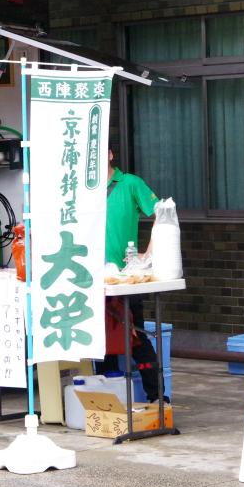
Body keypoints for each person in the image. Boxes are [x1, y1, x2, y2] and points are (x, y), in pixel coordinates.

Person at [99, 141, 164, 402]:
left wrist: (148, 255)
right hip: (93, 278)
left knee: (136, 337)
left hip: (126, 278)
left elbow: (163, 213)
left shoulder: (131, 183)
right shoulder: (81, 190)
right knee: (101, 342)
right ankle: (107, 400)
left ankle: (157, 396)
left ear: (111, 154)